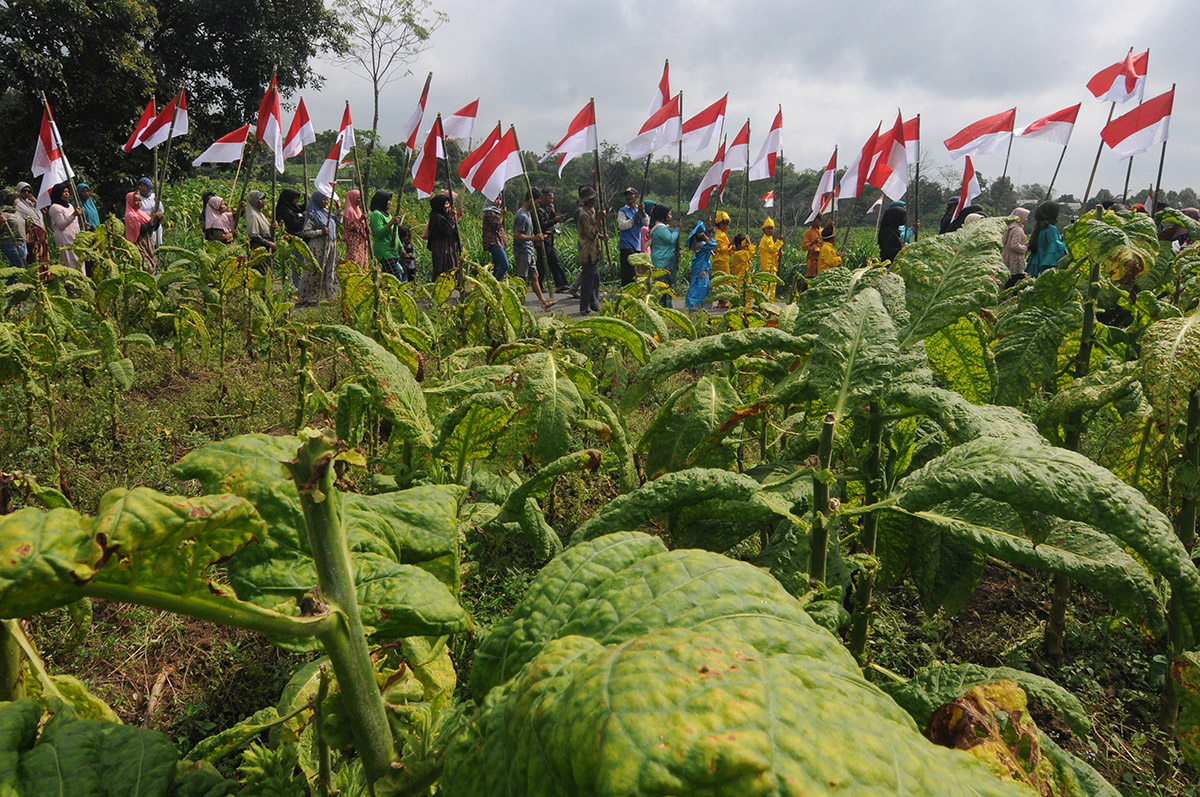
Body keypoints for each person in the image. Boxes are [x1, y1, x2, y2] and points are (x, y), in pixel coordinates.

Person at [297, 190, 340, 305]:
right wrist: (320, 231)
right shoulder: (312, 214)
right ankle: (309, 297)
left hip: (330, 245)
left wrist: (338, 209)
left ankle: (329, 295)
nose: (326, 202)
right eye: (323, 199)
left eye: (326, 199)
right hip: (318, 246)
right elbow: (306, 232)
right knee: (315, 271)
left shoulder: (327, 212)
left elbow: (338, 222)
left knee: (330, 269)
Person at [514, 190, 555, 310]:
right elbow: (517, 235)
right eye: (537, 202)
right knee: (522, 279)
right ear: (531, 200)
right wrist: (533, 237)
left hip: (529, 249)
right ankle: (517, 304)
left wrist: (534, 240)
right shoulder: (521, 215)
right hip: (522, 251)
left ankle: (543, 302)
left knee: (535, 276)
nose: (538, 204)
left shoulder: (528, 214)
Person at [576, 184, 604, 315]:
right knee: (588, 281)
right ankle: (584, 307)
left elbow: (595, 232)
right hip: (587, 251)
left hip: (594, 251)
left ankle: (594, 302)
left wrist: (601, 236)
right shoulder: (584, 215)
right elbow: (590, 233)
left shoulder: (591, 211)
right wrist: (598, 222)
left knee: (595, 278)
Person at [536, 188, 571, 293]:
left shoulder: (547, 209)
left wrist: (553, 214)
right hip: (543, 239)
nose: (552, 200)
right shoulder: (538, 210)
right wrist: (554, 219)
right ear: (544, 197)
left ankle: (561, 284)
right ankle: (538, 284)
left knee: (555, 262)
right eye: (550, 198)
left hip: (550, 240)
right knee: (542, 264)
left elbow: (551, 221)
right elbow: (542, 225)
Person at [427, 193, 462, 286]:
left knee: (453, 271)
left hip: (450, 250)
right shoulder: (436, 217)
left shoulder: (444, 216)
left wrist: (456, 218)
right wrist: (451, 218)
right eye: (445, 204)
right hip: (442, 251)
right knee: (442, 273)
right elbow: (447, 231)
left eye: (448, 204)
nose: (448, 206)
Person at [1026, 201, 1068, 277]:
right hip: (1046, 262)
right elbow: (1055, 246)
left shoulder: (1040, 227)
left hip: (1038, 260)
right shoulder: (1051, 228)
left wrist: (1062, 237)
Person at [648, 203, 679, 308]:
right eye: (669, 214)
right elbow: (670, 239)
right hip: (662, 261)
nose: (671, 216)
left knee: (665, 286)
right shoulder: (661, 228)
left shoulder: (661, 226)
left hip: (663, 259)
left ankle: (665, 307)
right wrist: (677, 230)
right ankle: (663, 308)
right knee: (662, 287)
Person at [369, 190, 404, 281]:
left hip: (393, 252)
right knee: (395, 278)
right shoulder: (376, 214)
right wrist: (391, 222)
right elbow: (379, 233)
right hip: (385, 252)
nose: (390, 203)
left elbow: (394, 232)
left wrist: (400, 246)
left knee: (387, 279)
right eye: (388, 200)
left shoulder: (388, 215)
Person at [47, 182, 82, 270]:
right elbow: (61, 225)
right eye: (64, 192)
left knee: (79, 261)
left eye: (67, 192)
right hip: (65, 239)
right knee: (70, 262)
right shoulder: (55, 207)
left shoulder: (70, 206)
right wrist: (74, 215)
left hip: (75, 237)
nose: (66, 194)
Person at [124, 190, 162, 272]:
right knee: (145, 266)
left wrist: (157, 220)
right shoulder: (130, 215)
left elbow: (152, 228)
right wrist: (152, 219)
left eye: (139, 200)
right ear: (130, 201)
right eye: (136, 200)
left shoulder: (141, 213)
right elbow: (143, 230)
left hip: (147, 243)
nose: (139, 202)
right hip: (138, 244)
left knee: (152, 265)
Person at [275, 188, 306, 288]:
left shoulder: (293, 208)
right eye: (295, 198)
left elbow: (303, 207)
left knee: (301, 260)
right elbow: (295, 224)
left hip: (299, 238)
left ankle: (300, 283)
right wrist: (305, 219)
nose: (297, 201)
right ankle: (297, 283)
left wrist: (307, 197)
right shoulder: (286, 211)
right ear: (289, 198)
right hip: (293, 239)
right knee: (296, 261)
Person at [14, 182, 49, 269]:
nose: (26, 193)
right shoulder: (17, 204)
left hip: (41, 233)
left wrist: (34, 200)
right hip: (30, 234)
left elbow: (45, 210)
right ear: (18, 191)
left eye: (28, 191)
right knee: (34, 255)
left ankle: (45, 276)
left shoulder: (31, 203)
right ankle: (35, 277)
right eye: (24, 191)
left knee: (43, 254)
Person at [616, 187, 646, 286]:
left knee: (635, 273)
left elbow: (646, 223)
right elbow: (622, 226)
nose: (628, 197)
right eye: (627, 195)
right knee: (627, 273)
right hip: (626, 245)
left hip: (636, 245)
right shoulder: (623, 210)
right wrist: (634, 218)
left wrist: (643, 213)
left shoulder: (639, 210)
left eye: (631, 195)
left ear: (636, 197)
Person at [685, 221, 717, 310]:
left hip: (699, 266)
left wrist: (709, 232)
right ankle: (694, 304)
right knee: (700, 286)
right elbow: (713, 244)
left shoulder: (697, 243)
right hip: (701, 267)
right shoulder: (702, 245)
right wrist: (706, 237)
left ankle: (696, 304)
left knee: (699, 285)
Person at [481, 196, 509, 280]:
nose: (499, 201)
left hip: (500, 241)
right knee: (504, 265)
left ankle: (493, 284)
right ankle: (496, 285)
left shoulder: (497, 211)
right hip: (493, 241)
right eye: (496, 199)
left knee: (497, 266)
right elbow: (496, 226)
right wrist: (502, 215)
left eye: (500, 199)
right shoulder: (489, 212)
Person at [1002, 207, 1030, 288]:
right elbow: (1014, 245)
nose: (1027, 219)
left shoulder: (1010, 227)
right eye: (1025, 217)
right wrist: (1025, 248)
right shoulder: (1017, 229)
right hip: (1015, 259)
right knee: (1015, 282)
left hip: (1007, 257)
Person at [0, 189, 27, 271]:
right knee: (19, 268)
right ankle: (11, 283)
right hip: (10, 243)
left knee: (18, 267)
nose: (17, 200)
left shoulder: (15, 211)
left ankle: (13, 283)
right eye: (15, 198)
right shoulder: (2, 213)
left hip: (21, 242)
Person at [758, 217, 784, 301]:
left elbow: (772, 253)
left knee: (772, 286)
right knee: (767, 287)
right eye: (768, 228)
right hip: (767, 267)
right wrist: (779, 241)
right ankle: (766, 303)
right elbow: (772, 249)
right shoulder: (765, 240)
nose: (770, 230)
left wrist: (778, 255)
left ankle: (770, 303)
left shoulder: (770, 239)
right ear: (764, 230)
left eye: (772, 228)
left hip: (772, 267)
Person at [342, 188, 369, 266]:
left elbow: (362, 225)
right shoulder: (349, 211)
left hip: (361, 242)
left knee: (362, 262)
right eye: (358, 198)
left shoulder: (358, 210)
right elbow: (349, 226)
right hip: (354, 242)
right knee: (354, 262)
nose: (360, 200)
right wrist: (360, 219)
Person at [711, 210, 732, 307]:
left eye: (728, 223)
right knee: (723, 281)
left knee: (723, 280)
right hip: (720, 261)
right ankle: (723, 300)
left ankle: (722, 300)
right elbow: (721, 249)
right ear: (720, 224)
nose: (727, 225)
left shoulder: (722, 234)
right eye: (725, 223)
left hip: (723, 259)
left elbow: (726, 248)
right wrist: (731, 244)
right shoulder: (719, 235)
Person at [137, 177, 162, 246]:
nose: (142, 188)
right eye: (141, 186)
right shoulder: (137, 197)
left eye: (145, 186)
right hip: (144, 226)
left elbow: (161, 211)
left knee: (156, 245)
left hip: (154, 226)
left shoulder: (154, 197)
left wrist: (157, 209)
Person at [802, 214, 824, 280]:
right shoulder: (808, 233)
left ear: (820, 220)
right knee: (811, 279)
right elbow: (804, 247)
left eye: (814, 219)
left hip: (822, 260)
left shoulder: (823, 232)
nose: (812, 222)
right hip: (812, 261)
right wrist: (812, 242)